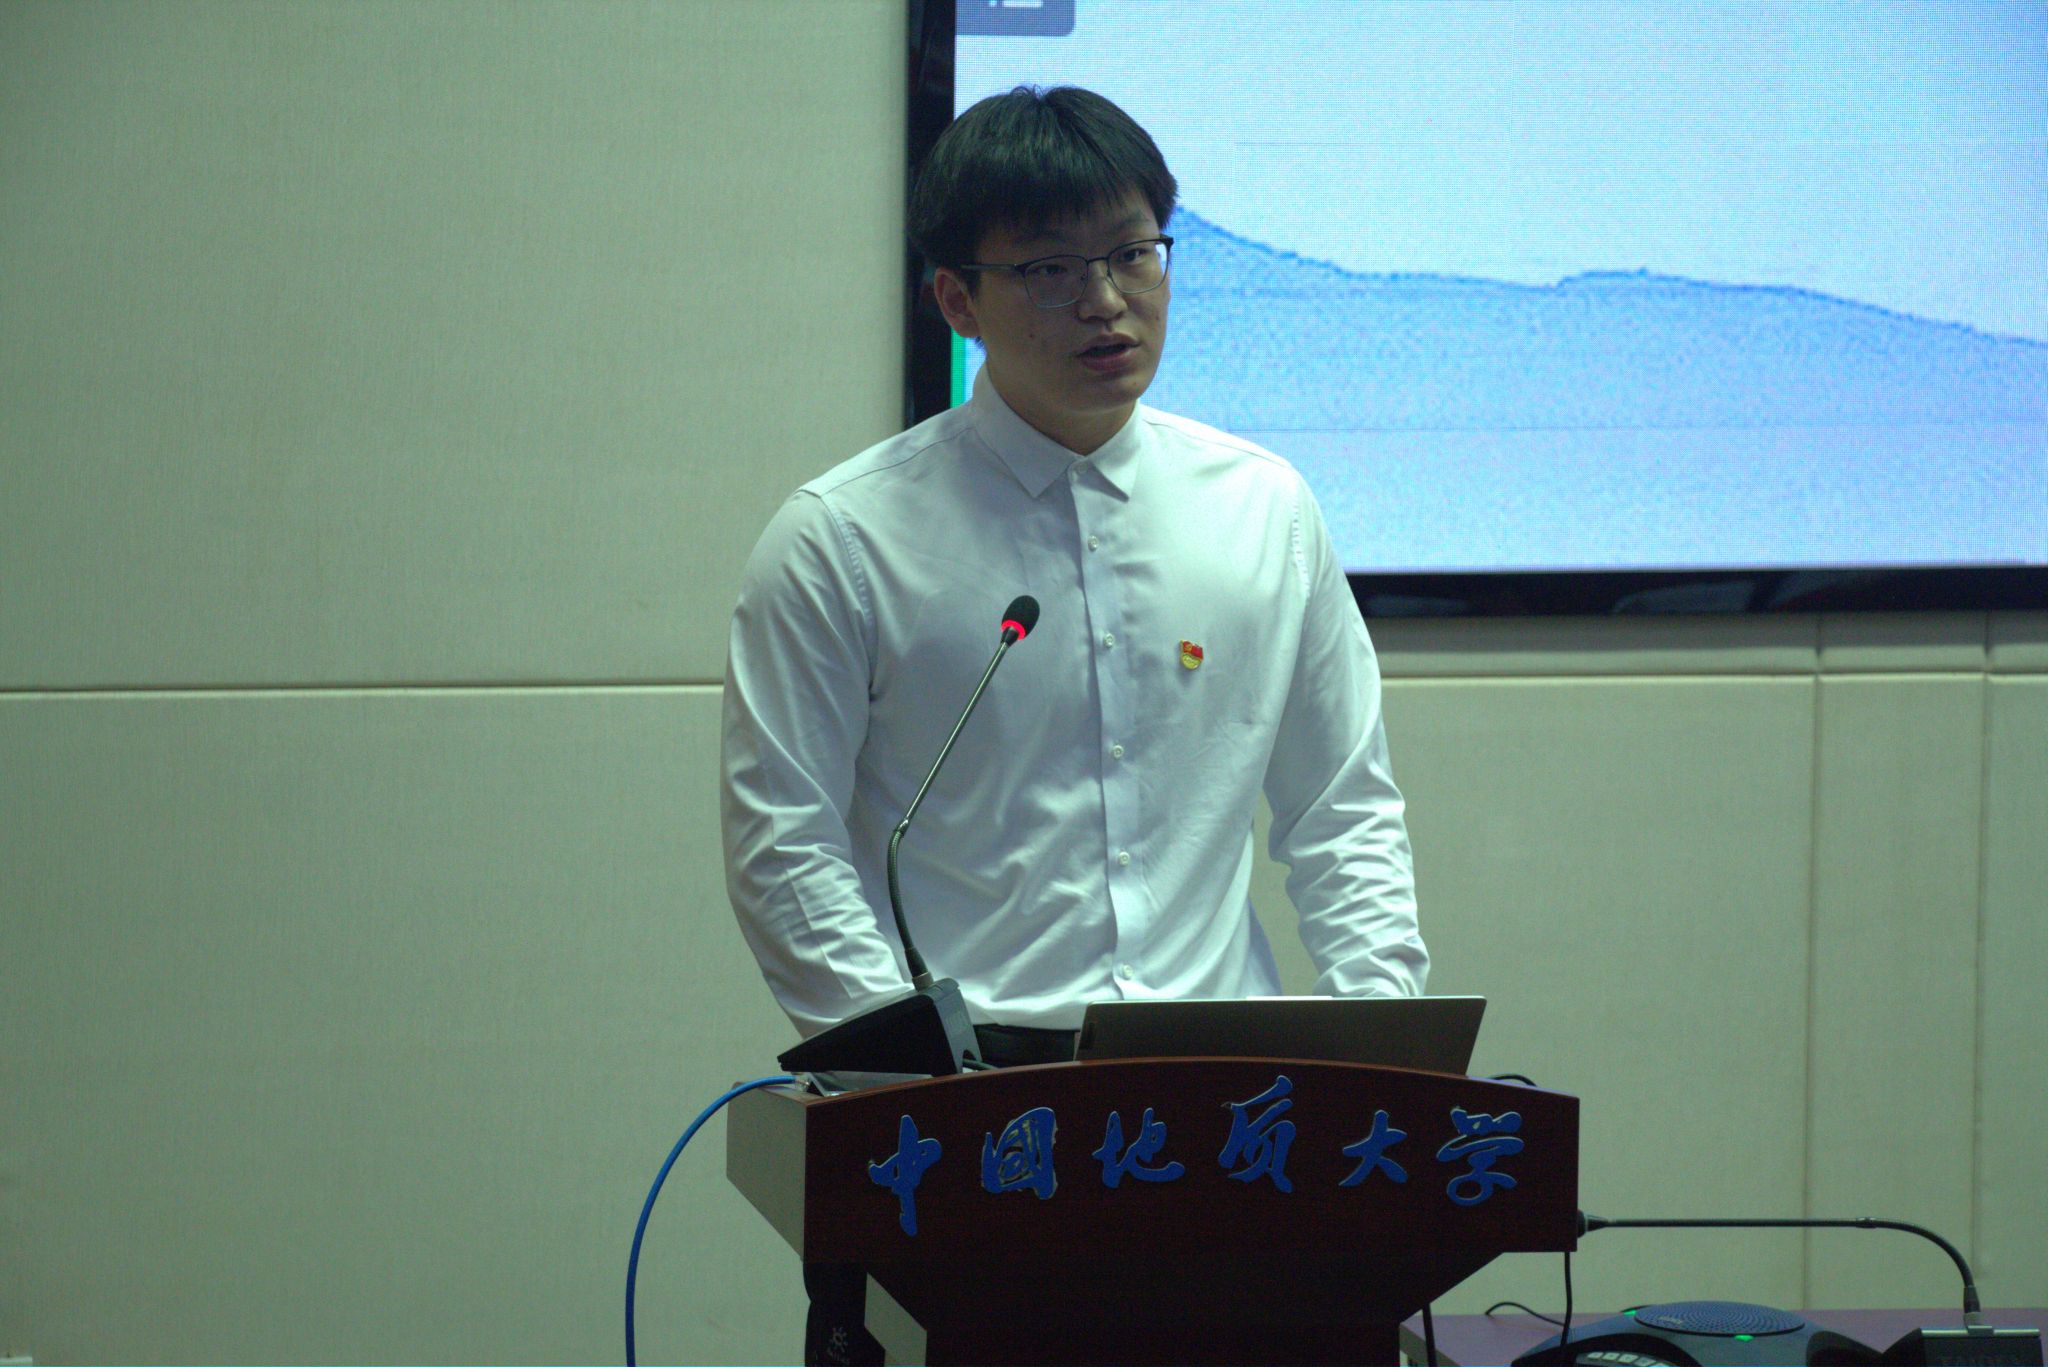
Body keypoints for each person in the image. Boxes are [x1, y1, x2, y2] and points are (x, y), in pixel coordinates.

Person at [722, 85, 1427, 1077]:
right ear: (956, 300)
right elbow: (784, 844)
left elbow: (1341, 811)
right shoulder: (842, 540)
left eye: (1132, 254)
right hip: (965, 1081)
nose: (1105, 301)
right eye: (1050, 269)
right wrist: (908, 1073)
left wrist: (1383, 1051)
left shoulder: (1265, 508)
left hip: (1222, 1083)